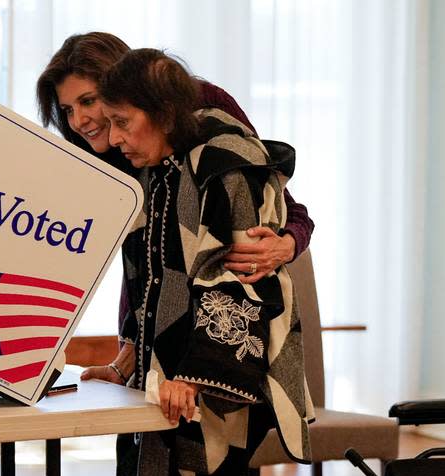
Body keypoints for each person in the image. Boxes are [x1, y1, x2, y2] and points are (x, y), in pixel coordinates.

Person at [93, 48, 312, 476]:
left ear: (162, 113)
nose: (115, 136)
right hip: (171, 377)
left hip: (215, 381)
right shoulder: (169, 165)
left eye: (122, 121)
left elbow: (234, 282)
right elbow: (152, 275)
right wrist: (135, 356)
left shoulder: (225, 162)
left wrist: (191, 371)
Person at [35, 31, 314, 363]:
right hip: (151, 333)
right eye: (67, 110)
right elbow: (144, 256)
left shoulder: (205, 109)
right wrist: (130, 357)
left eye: (88, 101)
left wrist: (286, 244)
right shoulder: (98, 150)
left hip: (223, 335)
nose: (78, 121)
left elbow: (282, 202)